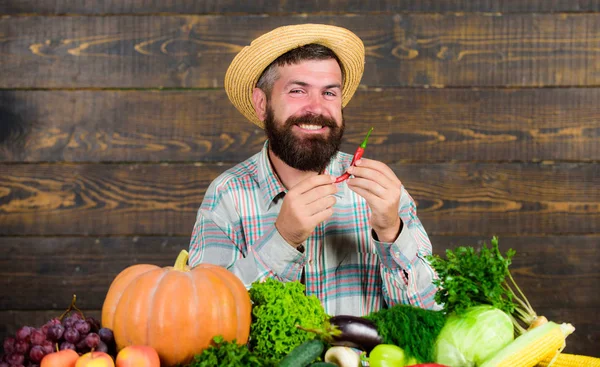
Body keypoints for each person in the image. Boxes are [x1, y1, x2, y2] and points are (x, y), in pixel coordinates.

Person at [188, 24, 440, 316]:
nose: (316, 108)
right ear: (261, 103)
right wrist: (282, 240)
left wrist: (391, 232)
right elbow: (205, 317)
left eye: (329, 93)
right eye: (297, 90)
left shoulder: (381, 193)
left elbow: (433, 314)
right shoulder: (227, 196)